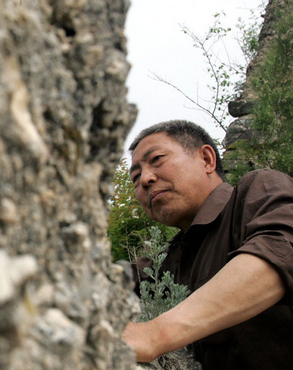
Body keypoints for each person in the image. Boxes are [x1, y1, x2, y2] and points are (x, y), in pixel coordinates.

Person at [121, 120, 293, 369]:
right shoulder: (169, 258)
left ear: (206, 159)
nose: (145, 179)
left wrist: (154, 334)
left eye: (157, 159)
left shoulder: (256, 192)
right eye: (135, 178)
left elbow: (280, 250)